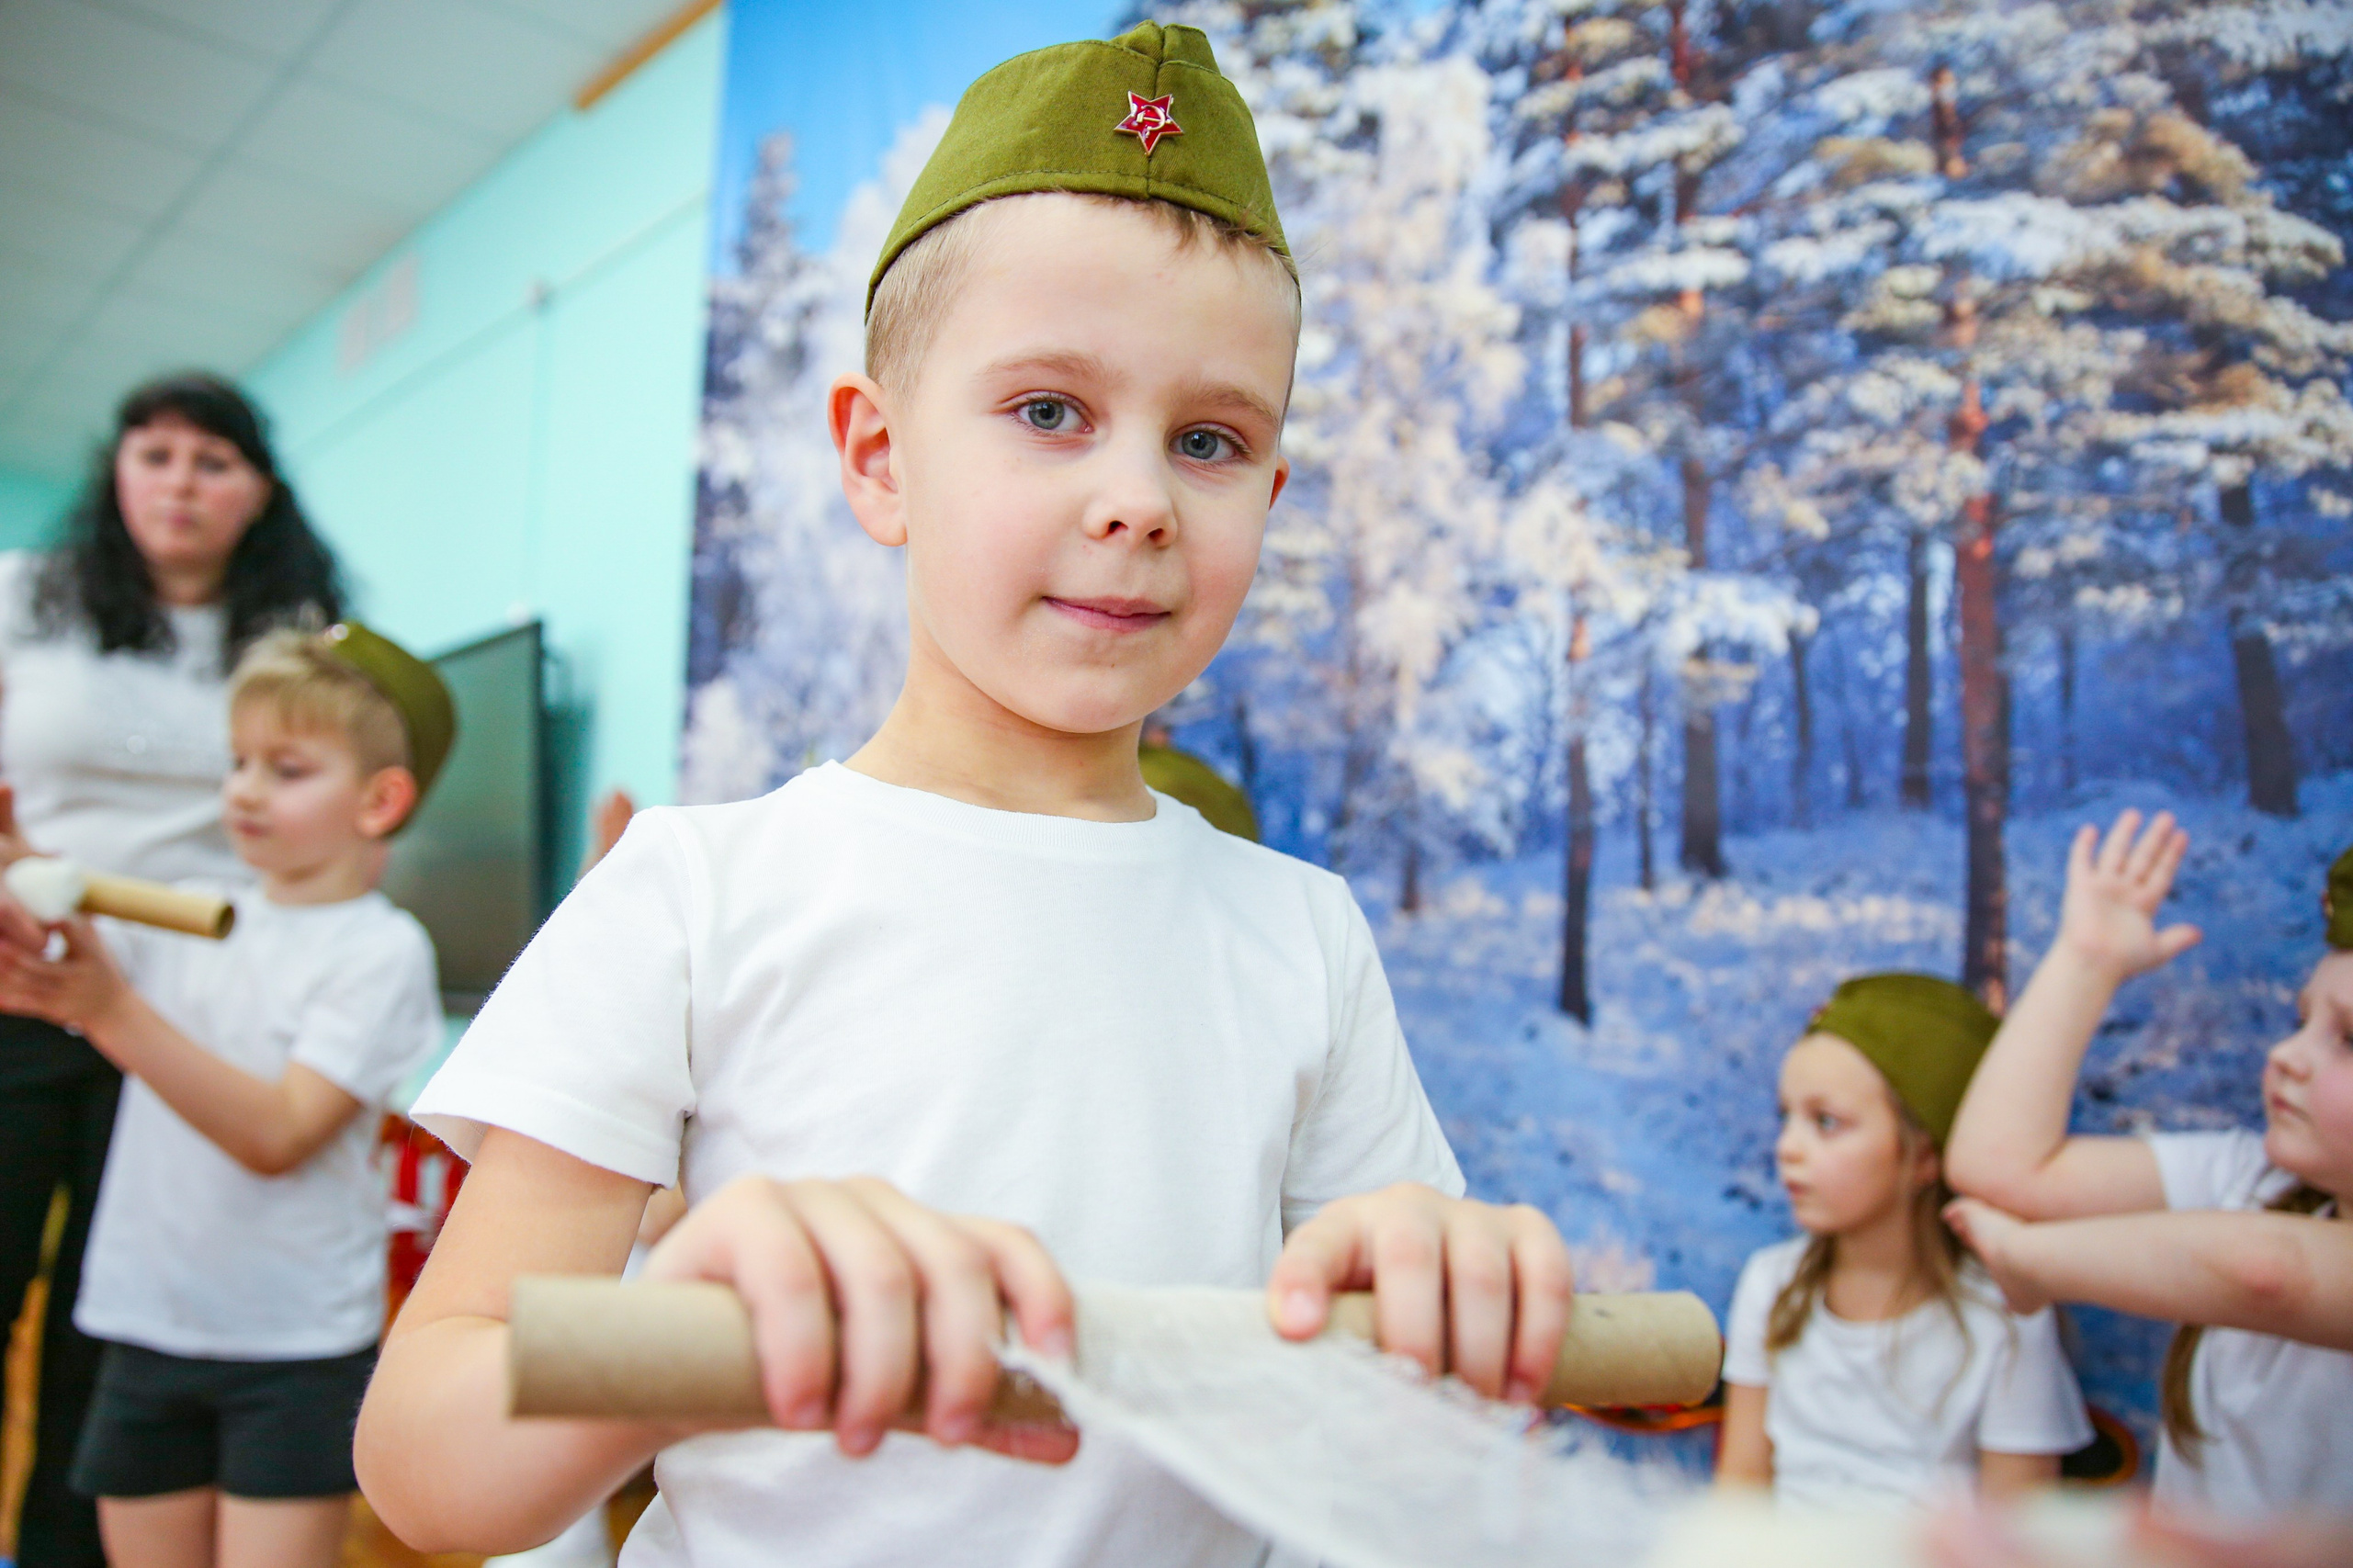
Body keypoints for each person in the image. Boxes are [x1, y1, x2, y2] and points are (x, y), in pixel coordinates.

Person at [356, 23, 1576, 1568]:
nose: (1136, 498)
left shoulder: (1304, 933)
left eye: (1207, 439)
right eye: (1049, 410)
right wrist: (675, 1324)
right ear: (879, 458)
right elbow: (420, 1463)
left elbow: (1389, 1460)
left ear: (1266, 497)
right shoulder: (690, 891)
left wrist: (1426, 1318)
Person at [0, 623, 451, 1568]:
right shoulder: (182, 914)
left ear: (380, 800)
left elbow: (280, 1131)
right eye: (238, 762)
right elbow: (56, 947)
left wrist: (111, 1014)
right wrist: (19, 862)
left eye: (285, 769)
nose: (243, 789)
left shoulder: (379, 951)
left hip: (291, 1350)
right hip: (144, 1328)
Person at [0, 372, 343, 1568]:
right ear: (115, 470)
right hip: (19, 983)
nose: (180, 483)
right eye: (154, 453)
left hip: (178, 1020)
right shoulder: (21, 598)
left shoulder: (296, 639)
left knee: (111, 1329)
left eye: (213, 461)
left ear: (259, 493)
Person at [1944, 818, 2353, 1519]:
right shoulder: (2251, 1179)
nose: (2287, 1052)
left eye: (2347, 1039)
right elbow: (1998, 1166)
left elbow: (2268, 1272)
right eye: (2301, 1019)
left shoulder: (2259, 1233)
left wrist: (2026, 1257)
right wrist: (2085, 960)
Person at [1715, 973, 2091, 1507]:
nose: (1787, 1148)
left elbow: (2018, 1535)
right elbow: (1740, 1497)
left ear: (1927, 1155)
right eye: (1786, 1117)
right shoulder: (1771, 1284)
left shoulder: (2008, 1314)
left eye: (1826, 1122)